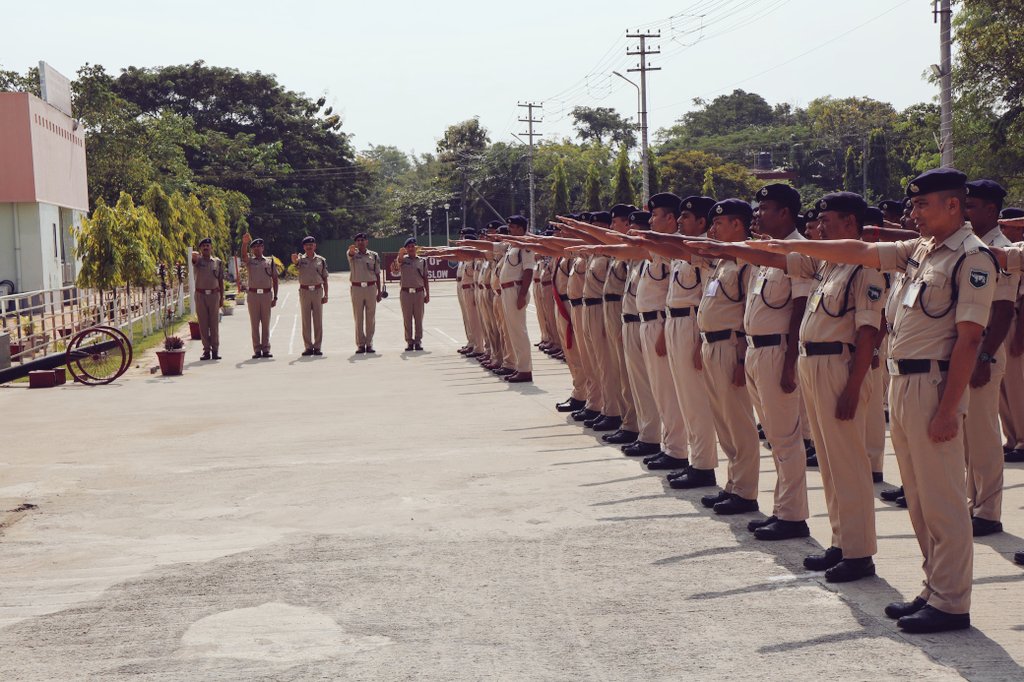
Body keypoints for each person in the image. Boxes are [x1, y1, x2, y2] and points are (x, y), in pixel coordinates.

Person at [745, 168, 996, 634]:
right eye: (914, 205)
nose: (914, 213)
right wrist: (794, 247)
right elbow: (859, 250)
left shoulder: (972, 258)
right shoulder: (919, 252)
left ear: (953, 206)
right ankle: (933, 588)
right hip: (904, 383)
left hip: (934, 386)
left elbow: (969, 339)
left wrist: (947, 409)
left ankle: (952, 602)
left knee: (943, 498)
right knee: (919, 498)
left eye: (923, 205)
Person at [786, 192, 884, 582]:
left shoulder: (865, 269)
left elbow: (868, 332)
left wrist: (854, 386)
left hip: (839, 367)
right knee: (828, 463)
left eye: (826, 221)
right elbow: (775, 258)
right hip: (813, 362)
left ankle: (860, 553)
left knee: (849, 463)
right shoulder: (829, 266)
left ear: (849, 224)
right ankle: (842, 542)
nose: (819, 226)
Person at [962, 180, 1019, 536]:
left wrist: (984, 357)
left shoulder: (1002, 249)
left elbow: (1002, 313)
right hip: (963, 351)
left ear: (991, 211)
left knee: (983, 437)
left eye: (972, 205)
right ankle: (974, 504)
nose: (965, 212)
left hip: (984, 350)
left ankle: (988, 512)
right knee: (968, 437)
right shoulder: (969, 247)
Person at [499, 215, 536, 382]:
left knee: (519, 330)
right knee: (513, 331)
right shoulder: (512, 246)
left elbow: (528, 270)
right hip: (507, 290)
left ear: (521, 228)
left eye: (513, 227)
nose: (510, 230)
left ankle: (525, 369)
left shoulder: (525, 246)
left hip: (516, 289)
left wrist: (522, 294)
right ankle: (519, 366)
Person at [241, 234, 279, 359]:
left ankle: (266, 348)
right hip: (253, 295)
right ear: (252, 249)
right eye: (254, 247)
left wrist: (275, 297)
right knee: (255, 323)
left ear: (263, 248)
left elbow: (275, 279)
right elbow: (244, 256)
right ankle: (257, 349)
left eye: (259, 246)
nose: (257, 249)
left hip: (266, 295)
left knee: (266, 323)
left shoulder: (269, 261)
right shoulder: (250, 261)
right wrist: (245, 243)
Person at [292, 236, 329, 356]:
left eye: (311, 245)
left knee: (318, 320)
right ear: (304, 247)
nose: (309, 247)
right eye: (307, 245)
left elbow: (325, 278)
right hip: (305, 292)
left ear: (315, 246)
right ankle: (308, 347)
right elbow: (296, 264)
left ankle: (317, 346)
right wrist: (295, 260)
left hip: (318, 291)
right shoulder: (300, 260)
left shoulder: (321, 260)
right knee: (306, 320)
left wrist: (326, 294)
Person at [392, 237, 430, 351]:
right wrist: (400, 255)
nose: (411, 248)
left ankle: (418, 341)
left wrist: (427, 294)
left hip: (418, 292)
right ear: (406, 249)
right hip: (406, 293)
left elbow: (425, 278)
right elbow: (395, 270)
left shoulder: (422, 261)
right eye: (408, 247)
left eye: (412, 246)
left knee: (419, 318)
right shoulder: (402, 260)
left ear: (415, 248)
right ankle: (409, 342)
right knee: (407, 318)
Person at [347, 232, 381, 353]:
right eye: (358, 240)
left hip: (371, 288)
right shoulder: (352, 254)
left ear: (367, 242)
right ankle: (361, 344)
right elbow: (350, 254)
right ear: (356, 243)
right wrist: (351, 251)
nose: (360, 242)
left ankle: (369, 343)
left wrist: (379, 291)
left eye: (363, 240)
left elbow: (377, 273)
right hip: (357, 288)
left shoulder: (374, 256)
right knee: (358, 317)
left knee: (370, 317)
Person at [191, 237, 224, 361]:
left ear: (211, 248)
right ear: (201, 248)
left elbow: (220, 280)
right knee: (203, 324)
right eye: (203, 246)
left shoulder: (217, 262)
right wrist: (195, 254)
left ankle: (215, 350)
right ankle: (206, 351)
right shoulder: (198, 261)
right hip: (201, 296)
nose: (206, 247)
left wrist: (222, 297)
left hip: (214, 295)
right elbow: (193, 257)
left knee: (214, 324)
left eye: (207, 245)